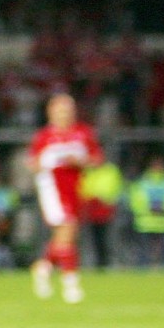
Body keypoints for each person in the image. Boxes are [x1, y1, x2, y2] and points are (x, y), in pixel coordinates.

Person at [28, 94, 101, 302]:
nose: (64, 114)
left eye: (68, 110)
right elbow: (33, 163)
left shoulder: (82, 133)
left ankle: (43, 267)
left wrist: (80, 161)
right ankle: (71, 283)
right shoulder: (44, 136)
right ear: (50, 112)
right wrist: (49, 164)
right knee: (67, 230)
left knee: (65, 235)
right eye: (60, 110)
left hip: (76, 187)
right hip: (53, 188)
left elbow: (96, 159)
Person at [125, 155, 164, 268]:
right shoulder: (142, 182)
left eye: (160, 165)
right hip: (146, 223)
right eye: (156, 165)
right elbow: (135, 200)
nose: (158, 167)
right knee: (144, 256)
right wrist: (151, 208)